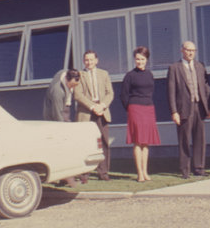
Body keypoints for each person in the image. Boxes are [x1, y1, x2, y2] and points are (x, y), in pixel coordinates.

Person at [167, 41, 210, 179]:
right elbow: (171, 91)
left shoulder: (200, 66)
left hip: (199, 106)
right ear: (182, 50)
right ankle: (185, 169)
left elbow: (206, 88)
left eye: (193, 50)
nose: (191, 52)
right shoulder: (175, 68)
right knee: (184, 139)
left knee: (200, 138)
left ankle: (199, 167)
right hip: (184, 108)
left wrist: (209, 107)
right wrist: (174, 111)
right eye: (188, 50)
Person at [120, 46, 161, 182]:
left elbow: (150, 92)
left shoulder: (150, 74)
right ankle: (139, 174)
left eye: (142, 59)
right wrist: (130, 108)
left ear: (146, 60)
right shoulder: (130, 75)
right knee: (138, 141)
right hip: (135, 109)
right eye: (137, 59)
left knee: (146, 142)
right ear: (134, 60)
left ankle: (146, 172)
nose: (140, 61)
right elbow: (123, 95)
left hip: (148, 108)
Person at [74, 49, 114, 181]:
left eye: (91, 59)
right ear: (84, 61)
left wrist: (101, 106)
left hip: (102, 111)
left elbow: (110, 93)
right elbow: (78, 95)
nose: (89, 62)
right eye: (86, 60)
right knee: (86, 142)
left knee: (103, 142)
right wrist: (92, 107)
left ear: (96, 60)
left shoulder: (104, 74)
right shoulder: (79, 74)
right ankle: (84, 173)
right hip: (86, 112)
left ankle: (103, 173)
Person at [43, 68, 82, 185]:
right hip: (55, 118)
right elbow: (57, 114)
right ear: (66, 79)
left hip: (63, 111)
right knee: (64, 147)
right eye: (72, 85)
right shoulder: (57, 91)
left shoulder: (65, 73)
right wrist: (63, 131)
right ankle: (68, 178)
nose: (73, 88)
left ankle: (66, 177)